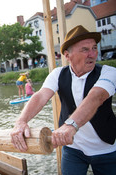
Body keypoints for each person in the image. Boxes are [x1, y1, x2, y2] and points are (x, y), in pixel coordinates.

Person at [11, 25, 116, 175]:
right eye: (85, 49)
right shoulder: (58, 74)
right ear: (67, 55)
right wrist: (21, 121)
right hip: (73, 148)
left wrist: (70, 125)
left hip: (105, 149)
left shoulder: (109, 72)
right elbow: (40, 96)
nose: (93, 54)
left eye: (94, 48)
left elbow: (96, 97)